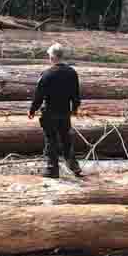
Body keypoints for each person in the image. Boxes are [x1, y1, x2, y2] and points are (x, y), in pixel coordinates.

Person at [27, 43, 82, 178]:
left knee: (51, 140)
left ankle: (52, 169)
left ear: (52, 57)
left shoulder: (46, 74)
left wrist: (32, 110)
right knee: (66, 139)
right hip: (64, 112)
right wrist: (74, 109)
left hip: (50, 113)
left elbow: (39, 95)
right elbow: (75, 94)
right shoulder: (72, 73)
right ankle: (74, 165)